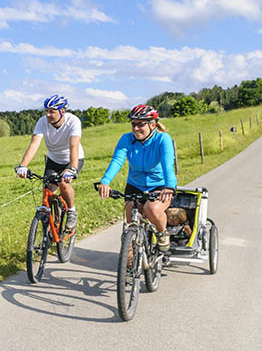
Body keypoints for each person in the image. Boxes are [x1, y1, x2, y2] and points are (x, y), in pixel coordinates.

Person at [96, 104, 177, 251]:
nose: (135, 128)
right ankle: (131, 256)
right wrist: (105, 181)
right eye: (133, 124)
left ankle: (162, 235)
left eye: (140, 124)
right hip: (135, 184)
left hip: (159, 185)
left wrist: (170, 186)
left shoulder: (162, 139)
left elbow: (168, 164)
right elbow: (117, 160)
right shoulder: (127, 139)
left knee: (151, 209)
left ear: (152, 125)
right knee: (131, 222)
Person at [15, 94, 84, 229]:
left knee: (63, 183)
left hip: (72, 159)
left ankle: (71, 211)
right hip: (53, 159)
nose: (48, 114)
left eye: (51, 111)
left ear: (62, 111)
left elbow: (73, 146)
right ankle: (50, 225)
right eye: (46, 111)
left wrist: (72, 169)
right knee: (47, 191)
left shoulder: (73, 121)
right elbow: (34, 144)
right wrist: (23, 165)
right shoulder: (42, 122)